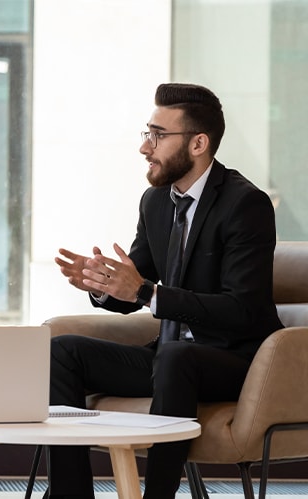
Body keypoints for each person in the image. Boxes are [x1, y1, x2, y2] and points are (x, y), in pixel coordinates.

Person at [46, 83, 283, 499]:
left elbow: (241, 310)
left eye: (158, 135)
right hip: (169, 358)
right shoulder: (155, 202)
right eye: (146, 133)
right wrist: (103, 284)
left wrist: (143, 291)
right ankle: (71, 495)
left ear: (198, 143)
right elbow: (136, 284)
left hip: (235, 361)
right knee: (61, 352)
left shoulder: (246, 205)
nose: (144, 147)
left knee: (177, 355)